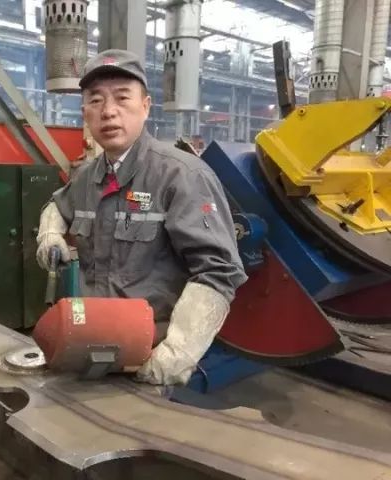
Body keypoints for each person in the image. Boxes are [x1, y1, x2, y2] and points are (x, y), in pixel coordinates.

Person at [35, 49, 248, 385]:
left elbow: (218, 272)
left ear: (146, 106)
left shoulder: (182, 176)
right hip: (93, 340)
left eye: (122, 98)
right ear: (85, 113)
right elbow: (57, 205)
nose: (108, 111)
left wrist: (176, 354)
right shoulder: (87, 177)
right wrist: (50, 234)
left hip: (152, 353)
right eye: (95, 101)